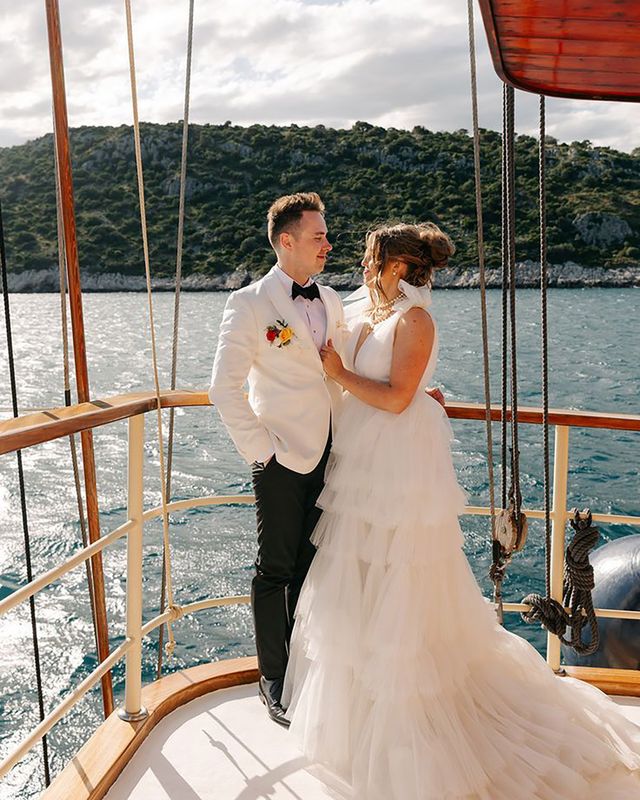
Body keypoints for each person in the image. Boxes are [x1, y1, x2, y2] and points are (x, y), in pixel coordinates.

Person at [282, 221, 640, 799]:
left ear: (397, 266)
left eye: (373, 260)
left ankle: (410, 727)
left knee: (404, 587)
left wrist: (341, 373)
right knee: (365, 585)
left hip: (398, 469)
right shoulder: (375, 313)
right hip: (365, 467)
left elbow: (398, 398)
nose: (365, 268)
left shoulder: (416, 318)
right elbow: (398, 384)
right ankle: (363, 717)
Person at [209, 192, 345, 727]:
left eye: (326, 236)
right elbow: (223, 389)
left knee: (316, 566)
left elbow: (347, 367)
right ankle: (274, 676)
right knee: (276, 570)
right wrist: (262, 454)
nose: (327, 245)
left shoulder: (331, 300)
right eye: (318, 236)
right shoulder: (249, 304)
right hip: (281, 459)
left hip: (334, 456)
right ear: (285, 241)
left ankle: (309, 670)